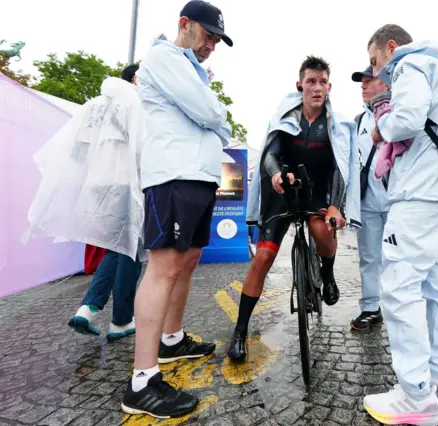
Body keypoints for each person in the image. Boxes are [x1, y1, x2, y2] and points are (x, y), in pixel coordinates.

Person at [120, 0, 233, 419]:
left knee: (187, 261)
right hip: (173, 174)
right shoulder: (164, 57)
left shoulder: (189, 67)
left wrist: (212, 117)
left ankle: (171, 340)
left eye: (218, 39)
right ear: (184, 25)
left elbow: (210, 117)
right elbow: (210, 112)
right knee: (165, 266)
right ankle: (142, 380)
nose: (212, 46)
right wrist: (214, 115)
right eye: (209, 35)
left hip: (197, 175)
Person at [361, 25, 438, 426]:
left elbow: (405, 121)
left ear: (391, 47)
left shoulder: (409, 64)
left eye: (375, 62)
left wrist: (380, 116)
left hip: (418, 192)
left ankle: (416, 394)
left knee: (399, 286)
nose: (378, 72)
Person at [227, 56, 361, 361]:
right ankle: (240, 331)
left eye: (322, 82)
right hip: (282, 191)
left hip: (317, 193)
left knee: (320, 228)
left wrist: (335, 206)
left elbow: (340, 167)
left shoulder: (336, 125)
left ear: (329, 86)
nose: (317, 87)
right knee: (263, 256)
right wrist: (275, 174)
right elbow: (270, 152)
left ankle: (326, 275)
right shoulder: (284, 118)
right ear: (300, 85)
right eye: (311, 81)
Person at [22, 64, 146, 342]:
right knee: (129, 249)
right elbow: (143, 147)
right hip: (127, 184)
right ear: (135, 79)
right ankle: (117, 319)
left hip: (96, 184)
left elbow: (73, 148)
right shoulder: (134, 103)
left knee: (117, 248)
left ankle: (92, 309)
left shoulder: (92, 106)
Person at [349, 65, 389, 331]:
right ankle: (371, 307)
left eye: (368, 80)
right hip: (368, 203)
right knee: (369, 257)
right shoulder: (357, 121)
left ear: (384, 83)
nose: (362, 85)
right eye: (361, 82)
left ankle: (408, 305)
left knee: (403, 257)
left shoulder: (401, 110)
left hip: (399, 200)